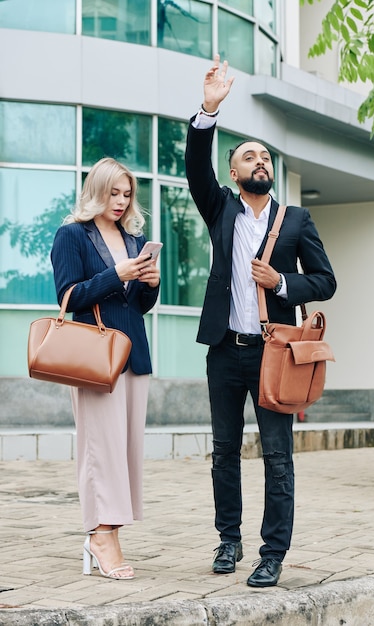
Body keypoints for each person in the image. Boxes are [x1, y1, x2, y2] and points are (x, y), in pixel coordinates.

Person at [185, 56, 337, 588]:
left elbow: (326, 281)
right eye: (249, 156)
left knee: (277, 455)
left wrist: (283, 284)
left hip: (277, 355)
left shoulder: (297, 220)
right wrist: (209, 110)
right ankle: (229, 540)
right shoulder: (220, 208)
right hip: (226, 350)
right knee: (224, 451)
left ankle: (273, 553)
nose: (260, 161)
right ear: (235, 171)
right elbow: (195, 169)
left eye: (266, 156)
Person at [51, 157, 160, 580]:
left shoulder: (135, 239)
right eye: (113, 192)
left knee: (126, 451)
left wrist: (150, 285)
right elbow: (69, 296)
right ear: (96, 190)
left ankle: (110, 531)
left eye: (127, 193)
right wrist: (115, 275)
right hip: (95, 359)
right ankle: (99, 537)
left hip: (133, 354)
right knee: (100, 450)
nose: (121, 201)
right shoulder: (71, 236)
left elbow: (139, 306)